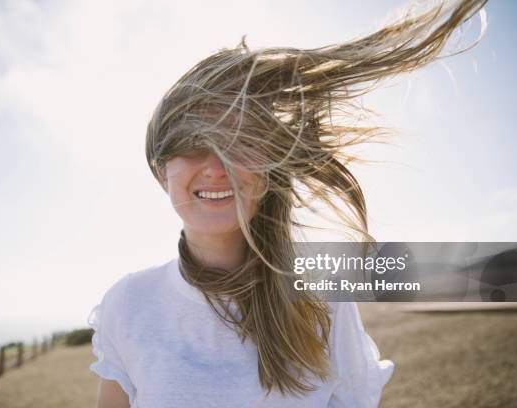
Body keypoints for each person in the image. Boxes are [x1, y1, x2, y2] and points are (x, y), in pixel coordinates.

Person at [88, 0, 487, 406]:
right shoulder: (128, 303)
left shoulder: (321, 296)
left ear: (268, 169)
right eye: (193, 145)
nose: (216, 166)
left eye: (239, 141)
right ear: (161, 172)